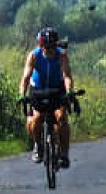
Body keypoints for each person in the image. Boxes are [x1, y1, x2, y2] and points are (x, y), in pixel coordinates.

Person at [20, 26, 74, 168]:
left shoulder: (61, 55)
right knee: (36, 119)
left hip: (57, 89)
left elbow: (66, 75)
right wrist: (22, 95)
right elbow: (26, 77)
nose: (49, 50)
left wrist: (69, 91)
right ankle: (38, 145)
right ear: (40, 45)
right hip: (38, 90)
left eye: (51, 47)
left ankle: (64, 153)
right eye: (46, 47)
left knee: (62, 118)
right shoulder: (34, 55)